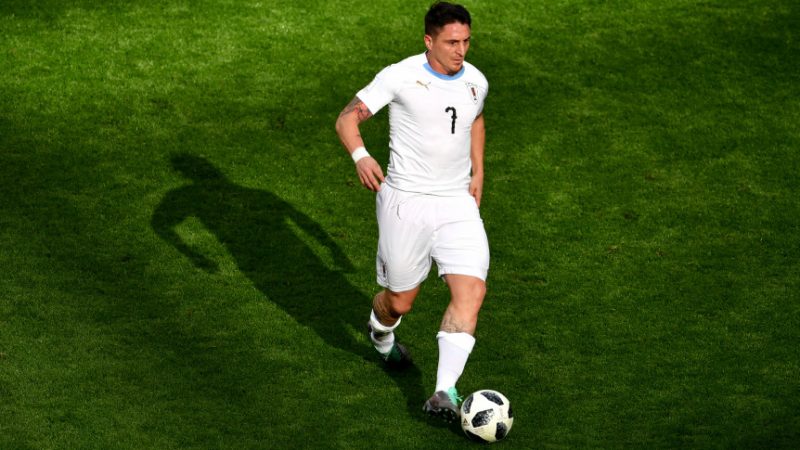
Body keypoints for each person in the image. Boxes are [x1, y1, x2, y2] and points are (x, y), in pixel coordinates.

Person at [335, 1, 489, 423]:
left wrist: (478, 170)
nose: (461, 50)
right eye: (452, 42)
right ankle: (380, 332)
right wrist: (361, 156)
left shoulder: (476, 80)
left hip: (456, 202)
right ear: (428, 41)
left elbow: (476, 119)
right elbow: (347, 119)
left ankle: (443, 392)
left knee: (471, 292)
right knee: (400, 302)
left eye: (466, 41)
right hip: (406, 202)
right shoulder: (400, 76)